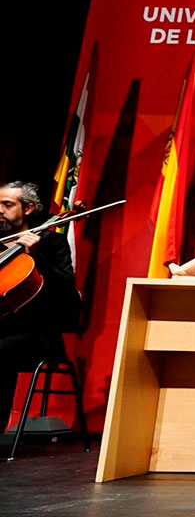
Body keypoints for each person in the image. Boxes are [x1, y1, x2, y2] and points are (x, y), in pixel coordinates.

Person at [1, 181, 80, 426]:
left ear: (28, 208)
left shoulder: (51, 244)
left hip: (36, 333)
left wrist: (36, 258)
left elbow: (67, 294)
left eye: (7, 204)